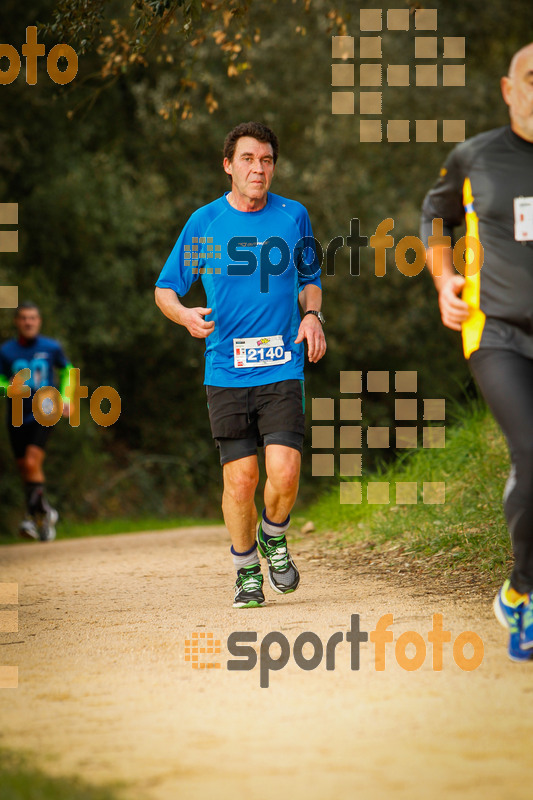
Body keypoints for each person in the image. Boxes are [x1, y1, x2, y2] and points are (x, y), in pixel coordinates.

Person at [155, 121, 326, 608]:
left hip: (281, 365)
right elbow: (165, 288)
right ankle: (246, 568)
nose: (259, 168)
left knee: (285, 471)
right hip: (226, 369)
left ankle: (273, 534)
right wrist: (184, 314)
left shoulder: (294, 216)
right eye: (248, 159)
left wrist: (312, 315)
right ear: (228, 166)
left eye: (267, 160)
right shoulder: (205, 223)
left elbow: (310, 277)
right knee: (241, 479)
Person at [421, 43, 533, 661]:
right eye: (532, 77)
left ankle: (518, 589)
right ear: (508, 89)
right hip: (494, 331)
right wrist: (444, 279)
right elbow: (434, 220)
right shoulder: (476, 156)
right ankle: (526, 594)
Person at [0, 302, 73, 541]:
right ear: (17, 322)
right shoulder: (6, 351)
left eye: (32, 318)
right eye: (23, 318)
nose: (28, 322)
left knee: (32, 461)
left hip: (45, 410)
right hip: (17, 414)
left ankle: (32, 517)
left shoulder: (51, 347)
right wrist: (7, 387)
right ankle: (43, 515)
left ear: (39, 321)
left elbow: (68, 371)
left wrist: (66, 398)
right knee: (25, 468)